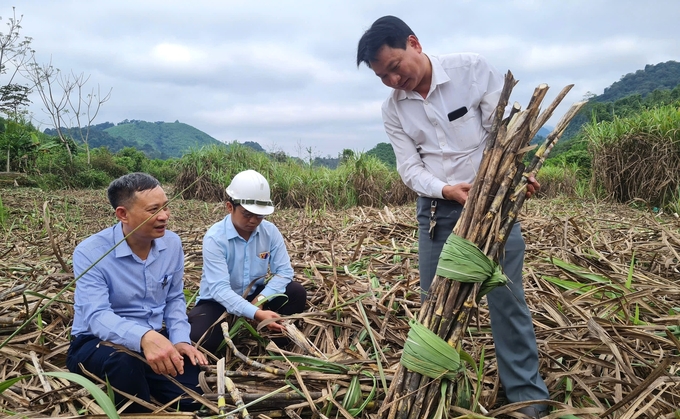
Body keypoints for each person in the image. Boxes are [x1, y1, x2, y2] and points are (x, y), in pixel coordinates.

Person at [357, 16, 549, 418]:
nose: (393, 80)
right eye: (382, 76)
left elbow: (508, 133)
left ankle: (527, 401)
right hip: (437, 211)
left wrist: (516, 174)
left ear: (414, 43)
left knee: (507, 300)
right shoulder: (392, 110)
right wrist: (446, 190)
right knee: (436, 307)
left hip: (494, 205)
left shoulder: (471, 70)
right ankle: (431, 400)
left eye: (395, 66)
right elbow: (409, 168)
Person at [67, 172, 208, 413]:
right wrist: (143, 337)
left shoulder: (172, 244)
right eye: (153, 210)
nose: (164, 216)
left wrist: (180, 339)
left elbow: (174, 298)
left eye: (165, 207)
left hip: (154, 338)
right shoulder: (91, 252)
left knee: (195, 398)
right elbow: (96, 315)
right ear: (123, 214)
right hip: (100, 343)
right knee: (125, 367)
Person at [188, 169, 306, 354]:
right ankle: (241, 329)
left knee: (296, 292)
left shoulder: (270, 232)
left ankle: (275, 342)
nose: (253, 220)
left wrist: (259, 301)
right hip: (218, 302)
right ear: (230, 207)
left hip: (254, 295)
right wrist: (256, 313)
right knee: (201, 337)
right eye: (246, 214)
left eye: (259, 215)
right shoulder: (215, 238)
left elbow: (284, 272)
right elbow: (219, 290)